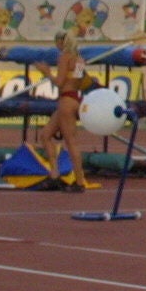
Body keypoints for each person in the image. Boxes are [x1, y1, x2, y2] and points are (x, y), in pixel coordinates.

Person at [38, 32, 89, 190]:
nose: (56, 45)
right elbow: (79, 83)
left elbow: (59, 83)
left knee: (71, 142)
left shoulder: (64, 57)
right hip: (74, 99)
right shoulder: (80, 60)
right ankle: (55, 174)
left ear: (62, 42)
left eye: (57, 42)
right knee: (45, 135)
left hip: (66, 101)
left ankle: (80, 181)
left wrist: (46, 73)